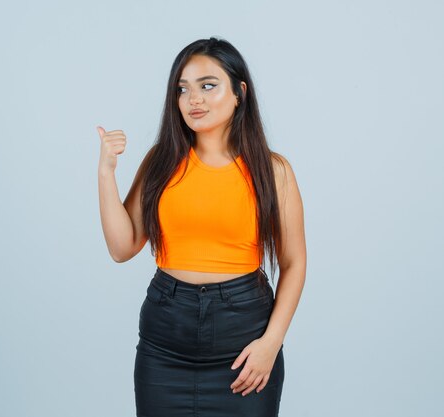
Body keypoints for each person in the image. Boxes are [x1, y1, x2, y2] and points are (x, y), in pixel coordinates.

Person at [96, 37, 306, 417]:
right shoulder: (161, 162)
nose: (194, 99)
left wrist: (271, 343)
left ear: (240, 92)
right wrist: (106, 173)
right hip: (166, 341)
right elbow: (121, 247)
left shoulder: (274, 171)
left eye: (208, 85)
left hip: (244, 338)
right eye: (183, 89)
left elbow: (293, 263)